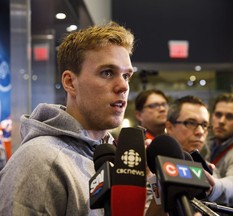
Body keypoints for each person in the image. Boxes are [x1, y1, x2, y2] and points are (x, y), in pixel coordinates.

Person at [0, 21, 135, 215]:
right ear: (70, 82)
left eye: (126, 76)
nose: (123, 86)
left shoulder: (112, 157)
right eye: (107, 73)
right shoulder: (41, 161)